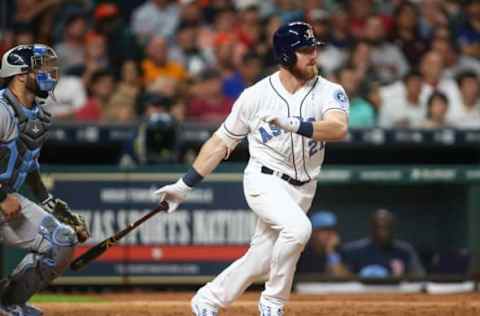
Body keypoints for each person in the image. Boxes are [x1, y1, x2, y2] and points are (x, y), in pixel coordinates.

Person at [154, 21, 349, 316]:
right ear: (285, 56)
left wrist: (294, 124)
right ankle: (273, 304)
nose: (313, 56)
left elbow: (338, 129)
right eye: (306, 50)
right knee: (298, 231)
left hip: (305, 185)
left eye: (314, 49)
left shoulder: (329, 90)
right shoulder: (255, 96)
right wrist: (184, 185)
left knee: (261, 258)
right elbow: (220, 142)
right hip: (264, 180)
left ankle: (207, 299)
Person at [0, 44, 89, 315]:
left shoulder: (38, 115)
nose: (48, 74)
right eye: (39, 68)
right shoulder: (1, 110)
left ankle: (9, 304)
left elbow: (29, 166)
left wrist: (53, 206)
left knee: (62, 240)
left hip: (10, 200)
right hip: (3, 198)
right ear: (20, 75)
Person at [342, 209, 425, 279]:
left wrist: (400, 277)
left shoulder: (405, 250)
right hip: (361, 294)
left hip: (395, 293)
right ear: (372, 228)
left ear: (393, 229)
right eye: (379, 227)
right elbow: (343, 277)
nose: (383, 233)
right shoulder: (354, 250)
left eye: (387, 228)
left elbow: (420, 277)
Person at [297, 211, 351, 277]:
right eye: (325, 230)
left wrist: (330, 252)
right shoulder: (301, 255)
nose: (330, 234)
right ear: (312, 233)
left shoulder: (340, 253)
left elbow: (342, 277)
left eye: (333, 230)